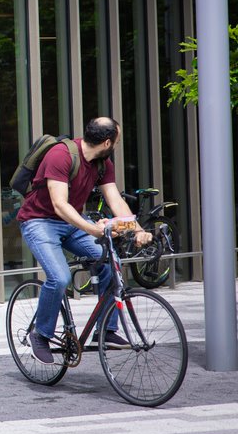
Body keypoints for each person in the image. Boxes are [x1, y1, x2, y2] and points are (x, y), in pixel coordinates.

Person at [16, 117, 152, 364]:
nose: (117, 145)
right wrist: (92, 229)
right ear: (107, 142)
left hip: (73, 221)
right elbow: (59, 204)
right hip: (39, 222)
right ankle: (41, 333)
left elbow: (115, 200)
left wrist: (138, 230)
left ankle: (106, 330)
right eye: (117, 140)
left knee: (111, 263)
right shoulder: (61, 155)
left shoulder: (102, 163)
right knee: (60, 278)